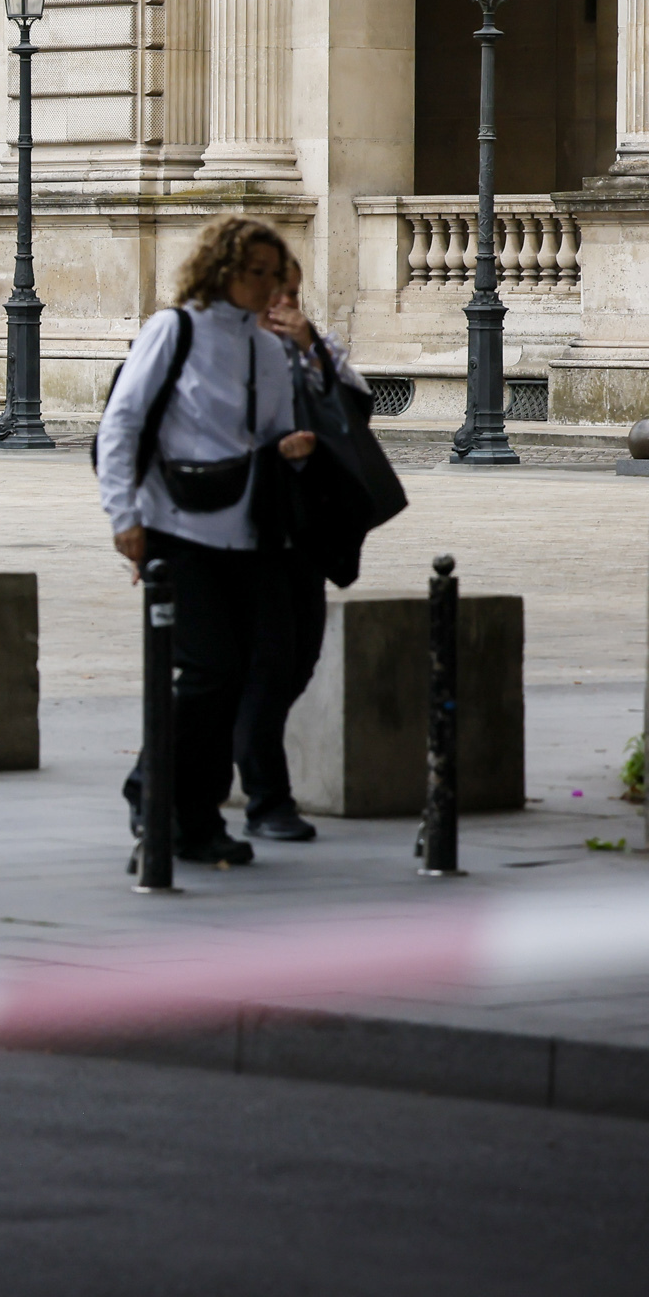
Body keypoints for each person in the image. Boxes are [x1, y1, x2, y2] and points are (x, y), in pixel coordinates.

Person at [94, 214, 318, 872]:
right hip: (179, 525)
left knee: (231, 678)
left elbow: (278, 434)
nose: (265, 285)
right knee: (204, 673)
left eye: (273, 274)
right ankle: (162, 802)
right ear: (220, 269)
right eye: (254, 272)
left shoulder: (271, 347)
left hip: (251, 532)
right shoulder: (175, 329)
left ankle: (193, 815)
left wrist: (295, 451)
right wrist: (123, 517)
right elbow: (122, 423)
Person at [236, 258, 401, 841]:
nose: (282, 306)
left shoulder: (310, 346)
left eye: (291, 295)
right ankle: (267, 797)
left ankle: (157, 777)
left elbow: (356, 408)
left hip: (303, 522)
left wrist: (313, 351)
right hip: (238, 529)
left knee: (297, 658)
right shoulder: (215, 346)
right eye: (272, 293)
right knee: (257, 665)